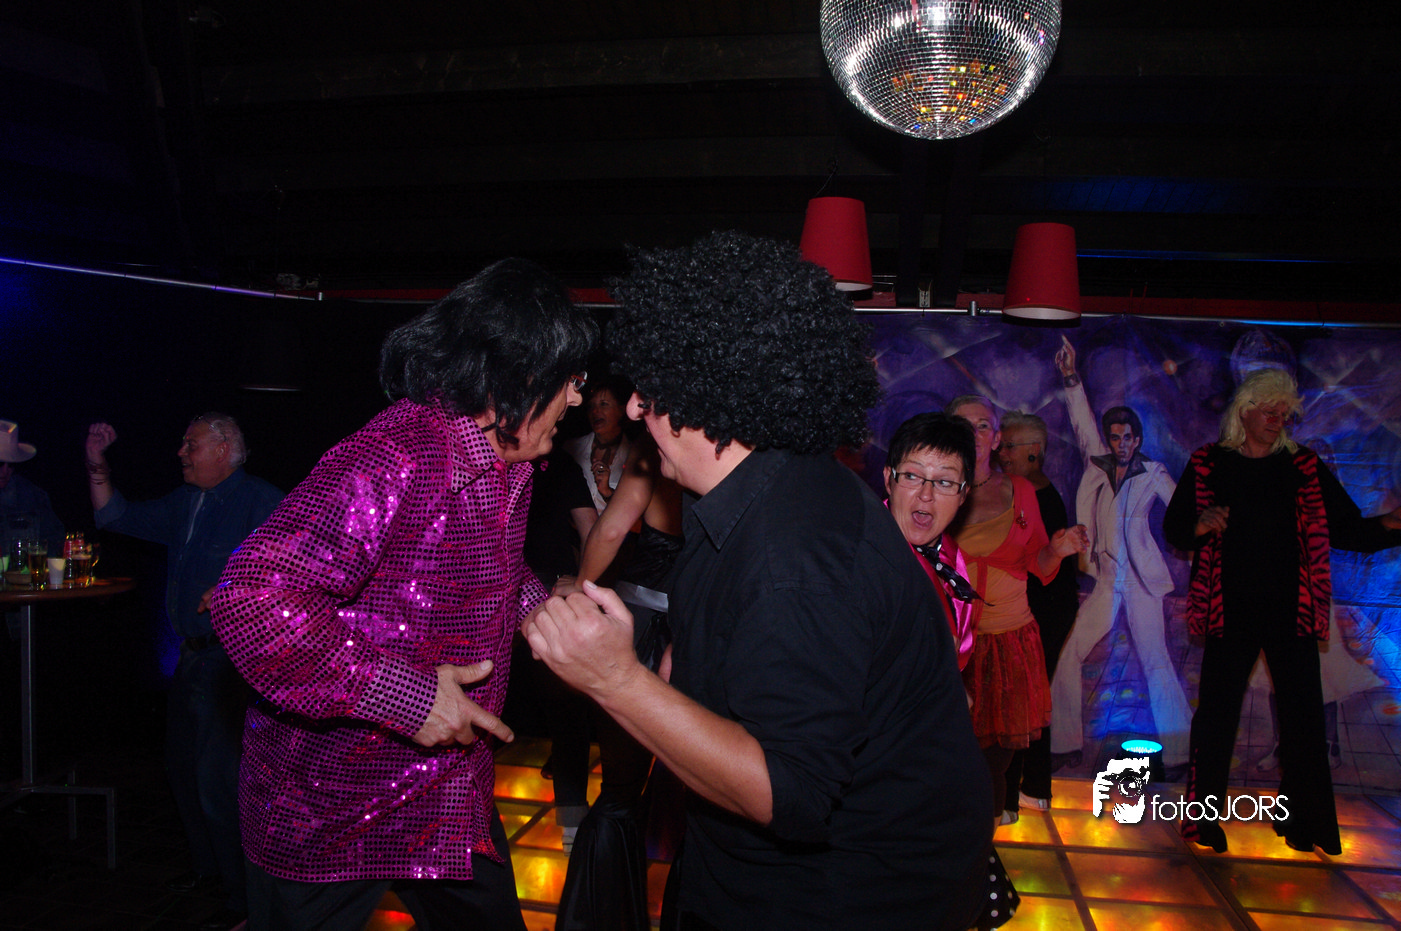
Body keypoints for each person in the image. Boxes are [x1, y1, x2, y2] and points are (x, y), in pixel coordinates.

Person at [524, 230, 992, 930]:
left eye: (651, 390)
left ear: (708, 392)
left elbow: (789, 792)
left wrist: (615, 679)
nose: (634, 408)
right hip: (750, 874)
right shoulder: (751, 499)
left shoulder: (795, 556)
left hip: (849, 898)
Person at [209, 259, 597, 930]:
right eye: (572, 380)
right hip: (325, 803)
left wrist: (538, 608)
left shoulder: (509, 463)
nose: (577, 399)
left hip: (445, 793)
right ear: (520, 379)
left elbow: (487, 566)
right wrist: (408, 697)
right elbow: (252, 598)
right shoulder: (397, 455)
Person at [1164, 368, 1401, 855]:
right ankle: (1201, 823)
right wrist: (1201, 523)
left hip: (1291, 611)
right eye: (1269, 410)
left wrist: (1392, 524)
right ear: (1245, 411)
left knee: (1304, 719)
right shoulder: (1209, 463)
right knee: (1216, 718)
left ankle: (1304, 823)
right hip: (1229, 611)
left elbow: (1348, 529)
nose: (1277, 419)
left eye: (1284, 412)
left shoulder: (1303, 466)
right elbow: (1175, 527)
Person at [86, 413, 283, 930]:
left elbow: (297, 564)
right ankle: (209, 871)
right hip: (192, 657)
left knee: (218, 777)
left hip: (232, 662)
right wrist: (96, 464)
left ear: (223, 449)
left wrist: (243, 590)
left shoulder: (260, 501)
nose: (181, 453)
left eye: (190, 444)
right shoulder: (185, 501)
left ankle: (243, 900)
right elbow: (114, 517)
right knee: (182, 766)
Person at [883, 411, 1021, 930]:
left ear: (963, 495)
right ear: (888, 478)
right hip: (887, 787)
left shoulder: (945, 558)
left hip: (929, 771)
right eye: (913, 476)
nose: (925, 495)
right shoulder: (870, 563)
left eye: (944, 482)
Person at [552, 432, 685, 931]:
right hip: (689, 632)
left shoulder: (656, 452)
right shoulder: (734, 455)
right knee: (694, 800)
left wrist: (583, 591)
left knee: (619, 792)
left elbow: (609, 531)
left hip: (636, 625)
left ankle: (596, 919)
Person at [1049, 336, 1193, 773]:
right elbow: (1082, 423)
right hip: (1108, 580)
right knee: (1070, 652)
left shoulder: (1153, 472)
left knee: (1156, 660)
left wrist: (1203, 528)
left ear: (1137, 439)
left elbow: (1182, 509)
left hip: (1142, 583)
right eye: (1115, 437)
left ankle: (1181, 750)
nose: (1121, 443)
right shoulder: (1098, 467)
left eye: (1128, 437)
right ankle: (1064, 743)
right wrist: (1070, 376)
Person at [945, 395, 1087, 827]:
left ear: (996, 437)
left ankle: (983, 853)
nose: (974, 434)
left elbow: (1038, 565)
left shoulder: (1021, 491)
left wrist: (1057, 550)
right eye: (964, 425)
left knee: (995, 765)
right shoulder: (935, 489)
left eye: (983, 425)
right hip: (952, 647)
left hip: (1009, 643)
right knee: (951, 760)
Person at [997, 410, 1079, 814]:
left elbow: (1036, 564)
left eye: (1009, 446)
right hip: (1045, 608)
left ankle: (1011, 796)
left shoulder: (1029, 495)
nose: (1001, 453)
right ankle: (1033, 788)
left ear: (1035, 451)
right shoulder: (1036, 491)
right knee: (1032, 697)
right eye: (1001, 445)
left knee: (1020, 699)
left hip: (1040, 611)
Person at [566, 375, 633, 513]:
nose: (595, 411)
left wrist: (607, 492)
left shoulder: (634, 457)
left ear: (622, 410)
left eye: (603, 404)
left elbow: (636, 512)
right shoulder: (571, 450)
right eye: (591, 406)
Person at [0, 420, 65, 556]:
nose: (5, 472)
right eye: (0, 464)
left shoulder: (32, 496)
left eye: (11, 465)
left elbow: (55, 543)